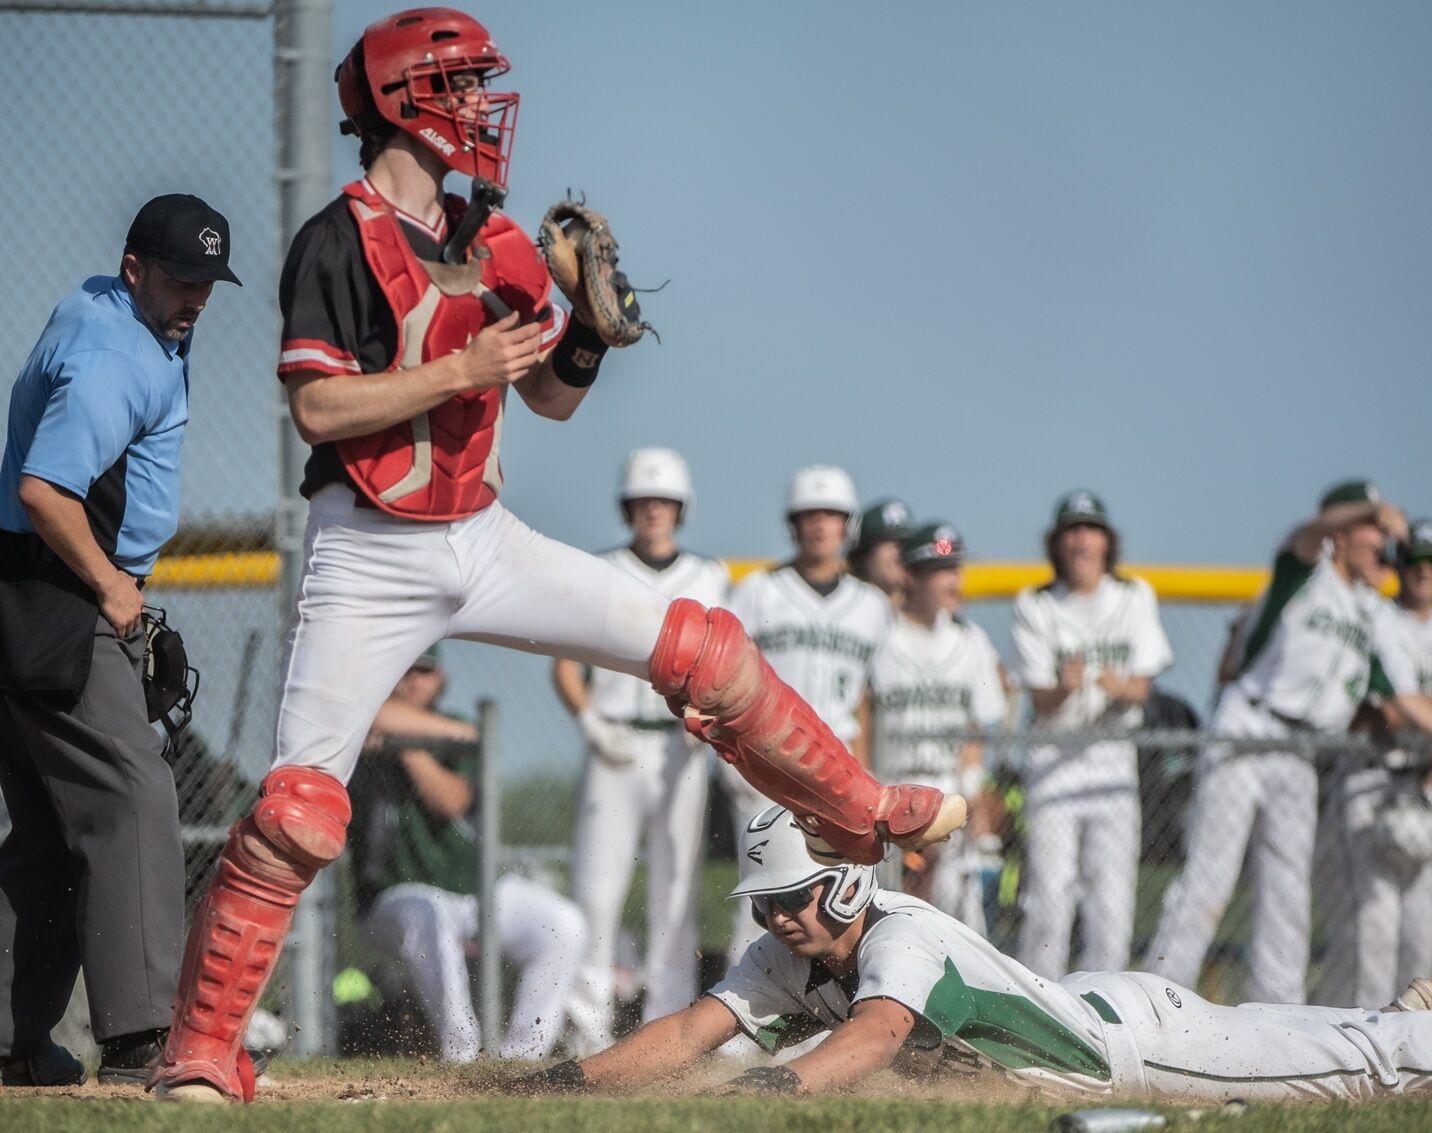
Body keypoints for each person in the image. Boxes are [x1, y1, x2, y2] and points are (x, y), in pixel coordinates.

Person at [148, 10, 961, 1103]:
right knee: (299, 810)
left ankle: (860, 810)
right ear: (403, 98)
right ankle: (200, 1052)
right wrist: (459, 366)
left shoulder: (496, 238)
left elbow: (550, 398)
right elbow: (317, 405)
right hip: (368, 546)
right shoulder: (337, 239)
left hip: (481, 532)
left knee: (706, 648)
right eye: (465, 88)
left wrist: (580, 323)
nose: (485, 108)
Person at [521, 806, 1432, 1102]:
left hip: (1124, 1048)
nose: (771, 919)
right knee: (1306, 1040)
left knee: (1342, 1064)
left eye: (785, 899)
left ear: (841, 880)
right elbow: (687, 1028)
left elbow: (874, 1035)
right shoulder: (792, 953)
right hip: (1089, 1004)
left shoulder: (898, 935)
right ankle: (1405, 1018)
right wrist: (557, 1085)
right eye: (762, 904)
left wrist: (763, 1094)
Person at [0, 194, 239, 1087]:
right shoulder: (112, 355)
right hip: (60, 591)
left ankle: (11, 1040)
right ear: (135, 267)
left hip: (35, 586)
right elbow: (45, 490)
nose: (198, 298)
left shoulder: (121, 310)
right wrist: (112, 591)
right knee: (134, 796)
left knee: (57, 832)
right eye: (181, 277)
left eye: (210, 282)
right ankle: (144, 1034)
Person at [1144, 481, 1432, 1005]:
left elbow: (1406, 700)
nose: (1383, 544)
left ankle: (1279, 1018)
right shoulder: (1305, 570)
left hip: (1300, 755)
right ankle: (1158, 998)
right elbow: (1304, 533)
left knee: (1288, 894)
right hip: (1248, 732)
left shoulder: (1375, 613)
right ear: (1340, 533)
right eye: (1372, 531)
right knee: (1210, 877)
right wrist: (1373, 509)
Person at [553, 447, 729, 1048]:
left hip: (681, 746)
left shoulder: (710, 575)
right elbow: (566, 665)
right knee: (595, 896)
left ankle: (667, 1031)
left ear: (681, 508)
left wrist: (708, 716)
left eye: (664, 502)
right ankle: (587, 1033)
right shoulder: (601, 565)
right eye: (644, 501)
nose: (653, 510)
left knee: (676, 895)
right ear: (628, 506)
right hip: (615, 742)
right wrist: (591, 724)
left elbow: (724, 663)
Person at [351, 649, 588, 1062]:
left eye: (422, 673)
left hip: (471, 890)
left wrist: (408, 746)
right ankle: (461, 1053)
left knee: (563, 925)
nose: (411, 682)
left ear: (440, 678)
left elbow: (452, 800)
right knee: (428, 912)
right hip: (391, 899)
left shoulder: (455, 727)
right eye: (403, 671)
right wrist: (388, 728)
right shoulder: (356, 725)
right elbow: (373, 713)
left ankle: (522, 1058)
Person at [721, 465, 893, 963]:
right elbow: (728, 673)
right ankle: (745, 1005)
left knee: (833, 894)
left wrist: (863, 772)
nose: (820, 526)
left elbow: (866, 696)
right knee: (763, 885)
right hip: (765, 757)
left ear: (847, 525)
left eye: (831, 515)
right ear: (791, 524)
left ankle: (815, 1013)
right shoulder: (756, 590)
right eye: (808, 515)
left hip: (835, 764)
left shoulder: (872, 605)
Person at [1314, 519, 1432, 1009]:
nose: (1422, 570)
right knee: (1373, 926)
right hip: (1373, 778)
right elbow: (1377, 712)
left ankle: (1418, 1038)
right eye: (1411, 560)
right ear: (1396, 565)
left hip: (1428, 781)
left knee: (1422, 928)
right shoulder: (1376, 618)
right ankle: (1368, 1040)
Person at [1013, 491, 1172, 978]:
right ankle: (1037, 1006)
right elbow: (1040, 700)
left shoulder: (1132, 595)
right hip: (1055, 757)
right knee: (1049, 897)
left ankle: (1106, 1011)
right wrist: (1063, 689)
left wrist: (1118, 686)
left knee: (1112, 898)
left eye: (1091, 528)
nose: (1082, 538)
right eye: (1072, 530)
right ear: (1057, 542)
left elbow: (1143, 684)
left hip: (1111, 757)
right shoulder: (1036, 603)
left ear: (1107, 540)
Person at [868, 522, 1007, 932]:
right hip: (887, 791)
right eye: (940, 569)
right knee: (886, 915)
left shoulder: (970, 641)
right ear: (910, 575)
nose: (954, 579)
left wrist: (972, 794)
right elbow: (860, 713)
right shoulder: (881, 638)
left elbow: (976, 729)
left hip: (949, 792)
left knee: (957, 919)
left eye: (955, 568)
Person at [847, 497, 912, 608]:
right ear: (863, 557)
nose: (901, 552)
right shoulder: (844, 613)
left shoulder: (932, 618)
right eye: (889, 542)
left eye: (905, 543)